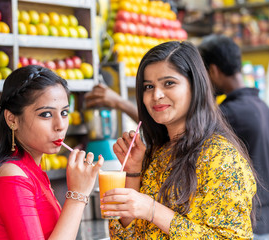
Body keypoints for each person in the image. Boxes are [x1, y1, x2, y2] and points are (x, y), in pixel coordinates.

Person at [101, 41, 257, 239]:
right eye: (149, 86)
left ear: (195, 86)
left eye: (169, 83)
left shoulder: (221, 158)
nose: (156, 95)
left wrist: (152, 210)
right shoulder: (157, 152)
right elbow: (124, 236)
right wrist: (132, 172)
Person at [0, 65, 103, 240]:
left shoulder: (32, 170)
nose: (60, 125)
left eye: (64, 112)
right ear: (12, 120)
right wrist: (78, 195)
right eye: (46, 114)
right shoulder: (11, 175)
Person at [198, 34, 269, 239]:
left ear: (212, 70)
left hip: (250, 224)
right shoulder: (261, 106)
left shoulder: (229, 114)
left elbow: (180, 137)